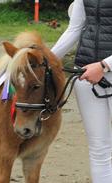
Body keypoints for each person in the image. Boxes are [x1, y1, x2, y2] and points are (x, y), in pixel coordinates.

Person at [51, 0, 112, 183]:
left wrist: (105, 65)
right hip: (86, 73)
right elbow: (74, 28)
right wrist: (45, 60)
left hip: (100, 69)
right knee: (98, 148)